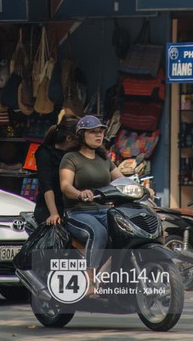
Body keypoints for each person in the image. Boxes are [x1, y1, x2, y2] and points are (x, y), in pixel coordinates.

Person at [59, 114, 133, 273]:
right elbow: (65, 185)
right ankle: (90, 278)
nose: (99, 135)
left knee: (127, 231)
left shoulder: (104, 159)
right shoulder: (71, 158)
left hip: (105, 210)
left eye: (100, 131)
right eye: (93, 132)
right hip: (78, 212)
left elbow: (122, 180)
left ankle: (115, 274)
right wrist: (80, 194)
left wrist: (143, 190)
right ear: (81, 135)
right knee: (98, 232)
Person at [33, 117, 78, 226]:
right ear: (69, 138)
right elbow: (46, 185)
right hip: (49, 206)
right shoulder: (45, 153)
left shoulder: (76, 153)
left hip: (74, 207)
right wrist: (54, 213)